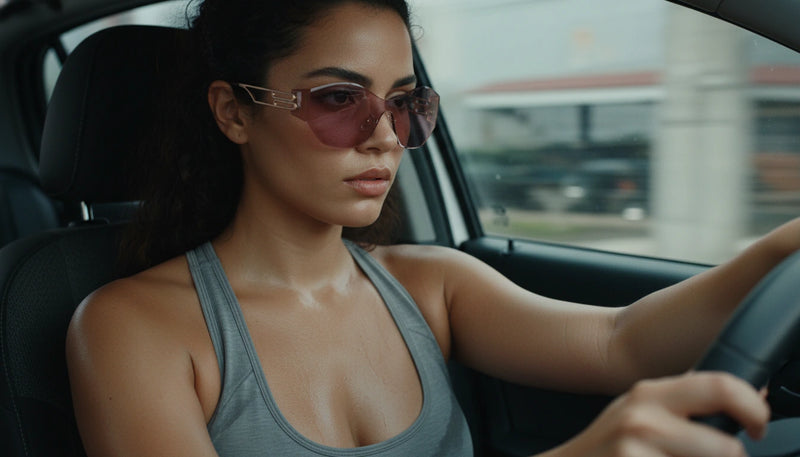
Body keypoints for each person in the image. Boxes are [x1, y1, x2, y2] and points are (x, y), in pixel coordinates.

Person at [64, 0, 796, 455]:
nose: (383, 136)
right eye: (339, 97)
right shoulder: (133, 327)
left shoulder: (431, 283)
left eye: (405, 102)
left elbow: (621, 341)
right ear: (233, 112)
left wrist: (780, 248)